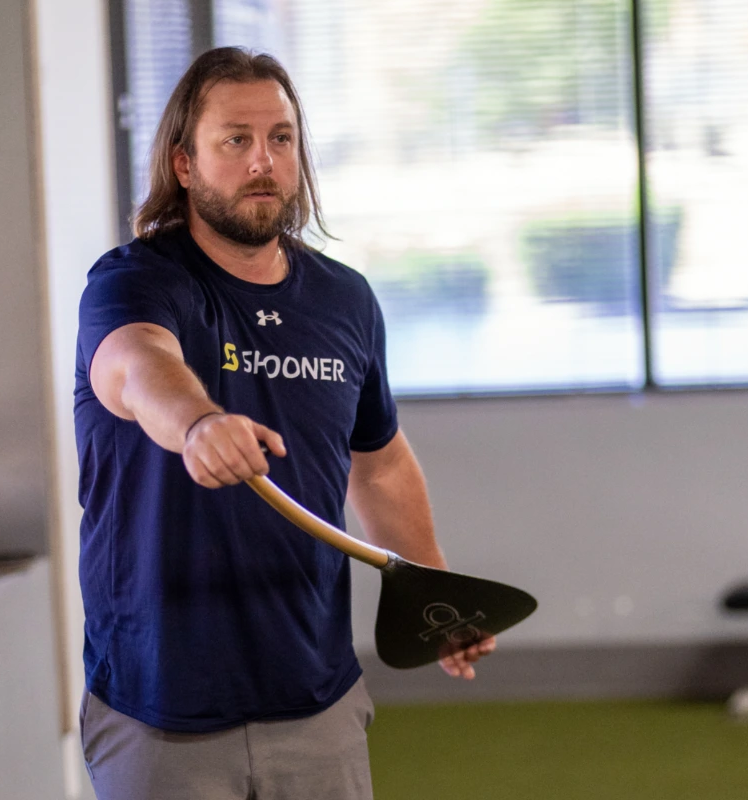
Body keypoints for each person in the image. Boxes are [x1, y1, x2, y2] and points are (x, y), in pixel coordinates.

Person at [73, 47, 494, 800]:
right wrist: (199, 423)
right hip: (160, 711)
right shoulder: (134, 282)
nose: (262, 160)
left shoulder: (345, 302)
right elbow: (136, 368)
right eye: (235, 140)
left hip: (315, 699)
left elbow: (381, 463)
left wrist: (438, 598)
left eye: (281, 138)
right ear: (184, 163)